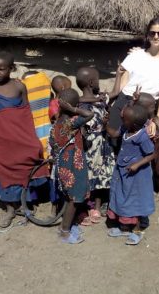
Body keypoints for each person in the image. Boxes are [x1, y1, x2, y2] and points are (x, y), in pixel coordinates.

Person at [0, 52, 47, 228]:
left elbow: (25, 114)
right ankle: (10, 208)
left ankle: (26, 203)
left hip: (19, 136)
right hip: (1, 139)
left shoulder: (20, 87)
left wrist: (29, 138)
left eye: (1, 69)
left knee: (28, 160)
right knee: (2, 166)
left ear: (11, 69)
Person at [109, 17, 159, 147]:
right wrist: (114, 101)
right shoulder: (135, 55)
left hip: (146, 107)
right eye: (152, 33)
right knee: (114, 140)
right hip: (125, 101)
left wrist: (156, 117)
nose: (156, 37)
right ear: (147, 35)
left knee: (137, 146)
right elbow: (124, 81)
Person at [106, 104, 155, 246]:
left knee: (135, 201)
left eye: (125, 119)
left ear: (133, 123)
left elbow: (152, 154)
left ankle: (138, 230)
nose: (122, 120)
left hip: (137, 176)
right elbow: (114, 134)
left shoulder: (142, 136)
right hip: (124, 172)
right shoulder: (126, 129)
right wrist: (105, 125)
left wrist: (137, 164)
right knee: (122, 197)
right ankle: (125, 227)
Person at [49, 88, 93, 244]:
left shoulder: (57, 123)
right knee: (74, 199)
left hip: (64, 165)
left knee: (69, 198)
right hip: (74, 165)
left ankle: (66, 226)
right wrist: (74, 109)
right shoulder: (72, 122)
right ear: (73, 106)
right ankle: (64, 231)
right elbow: (90, 114)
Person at [76, 66, 119, 225]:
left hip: (103, 145)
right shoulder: (79, 104)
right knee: (87, 178)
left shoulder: (101, 99)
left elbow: (114, 93)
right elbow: (76, 103)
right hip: (89, 146)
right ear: (91, 82)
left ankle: (97, 206)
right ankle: (85, 207)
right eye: (98, 79)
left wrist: (119, 74)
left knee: (102, 177)